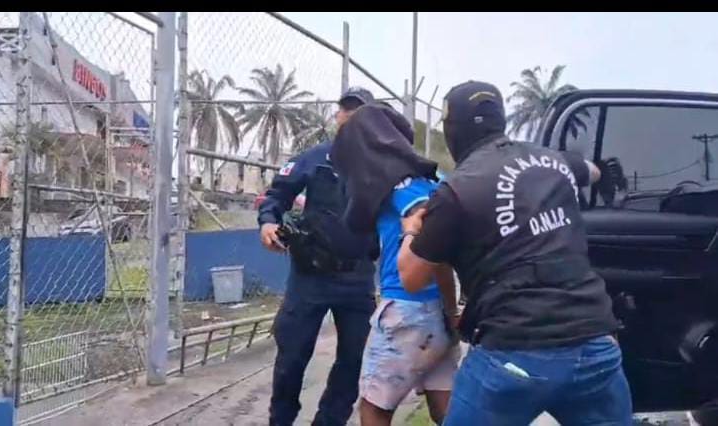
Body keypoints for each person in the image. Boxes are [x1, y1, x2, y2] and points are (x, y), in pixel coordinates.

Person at [396, 80, 633, 425]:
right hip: (594, 345)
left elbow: (410, 277)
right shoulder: (553, 161)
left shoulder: (455, 191)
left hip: (513, 355)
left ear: (452, 130)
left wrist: (411, 229)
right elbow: (592, 170)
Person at [330, 103, 461, 425]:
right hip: (437, 309)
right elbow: (443, 254)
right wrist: (450, 311)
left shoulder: (401, 186)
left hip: (406, 309)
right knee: (446, 410)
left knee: (374, 407)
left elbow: (428, 241)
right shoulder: (432, 180)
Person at [258, 87, 378, 426]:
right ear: (337, 116)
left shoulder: (381, 166)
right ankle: (281, 420)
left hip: (357, 279)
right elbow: (277, 195)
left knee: (353, 361)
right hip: (310, 276)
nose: (350, 116)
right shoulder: (316, 157)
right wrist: (268, 222)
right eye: (345, 109)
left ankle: (329, 421)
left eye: (359, 111)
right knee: (291, 357)